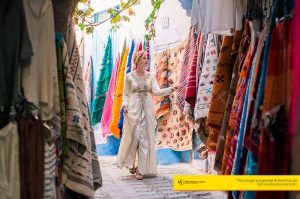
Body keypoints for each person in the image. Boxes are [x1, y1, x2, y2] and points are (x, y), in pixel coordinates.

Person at [116, 50, 177, 180]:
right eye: (143, 58)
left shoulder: (150, 76)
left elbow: (156, 91)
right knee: (133, 138)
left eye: (146, 58)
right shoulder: (129, 77)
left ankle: (141, 169)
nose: (146, 60)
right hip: (133, 110)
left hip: (147, 111)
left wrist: (171, 89)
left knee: (144, 138)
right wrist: (125, 105)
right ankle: (130, 163)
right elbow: (126, 95)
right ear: (137, 60)